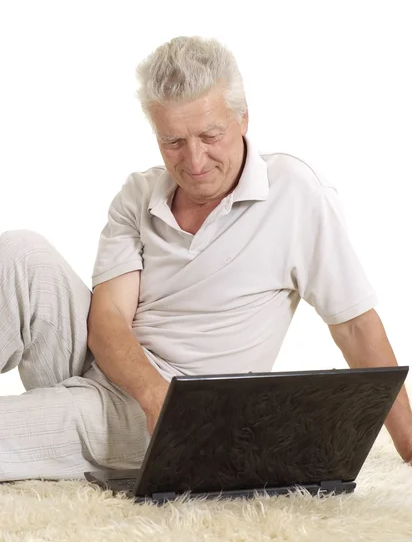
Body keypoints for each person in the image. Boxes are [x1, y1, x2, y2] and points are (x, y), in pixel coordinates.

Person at [1, 36, 411, 481]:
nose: (194, 160)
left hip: (180, 409)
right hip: (130, 381)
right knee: (22, 252)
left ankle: (78, 435)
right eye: (173, 141)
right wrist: (156, 399)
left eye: (210, 136)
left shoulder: (294, 192)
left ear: (243, 119)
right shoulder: (139, 193)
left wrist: (409, 448)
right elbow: (108, 319)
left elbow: (354, 324)